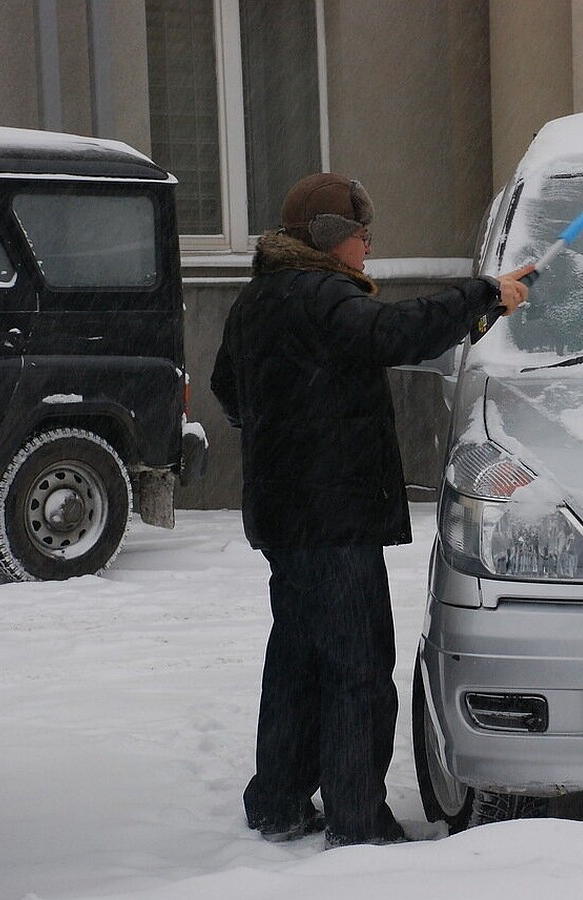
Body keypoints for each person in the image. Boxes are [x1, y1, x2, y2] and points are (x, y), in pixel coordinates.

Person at [210, 173, 530, 848]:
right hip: (331, 518)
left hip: (284, 518)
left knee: (298, 660)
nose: (369, 245)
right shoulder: (324, 294)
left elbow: (225, 389)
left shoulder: (259, 300)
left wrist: (283, 429)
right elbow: (393, 333)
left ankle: (278, 802)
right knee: (357, 668)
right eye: (362, 233)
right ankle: (358, 823)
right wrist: (481, 293)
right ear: (331, 239)